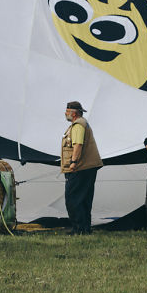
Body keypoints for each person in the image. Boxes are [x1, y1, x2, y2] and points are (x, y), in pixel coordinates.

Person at [61, 100, 103, 235]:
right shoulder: (83, 123)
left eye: (67, 111)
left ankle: (78, 229)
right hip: (88, 167)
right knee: (84, 198)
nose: (65, 113)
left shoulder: (78, 125)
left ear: (73, 113)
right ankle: (85, 228)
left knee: (73, 198)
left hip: (80, 168)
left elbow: (78, 145)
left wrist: (73, 162)